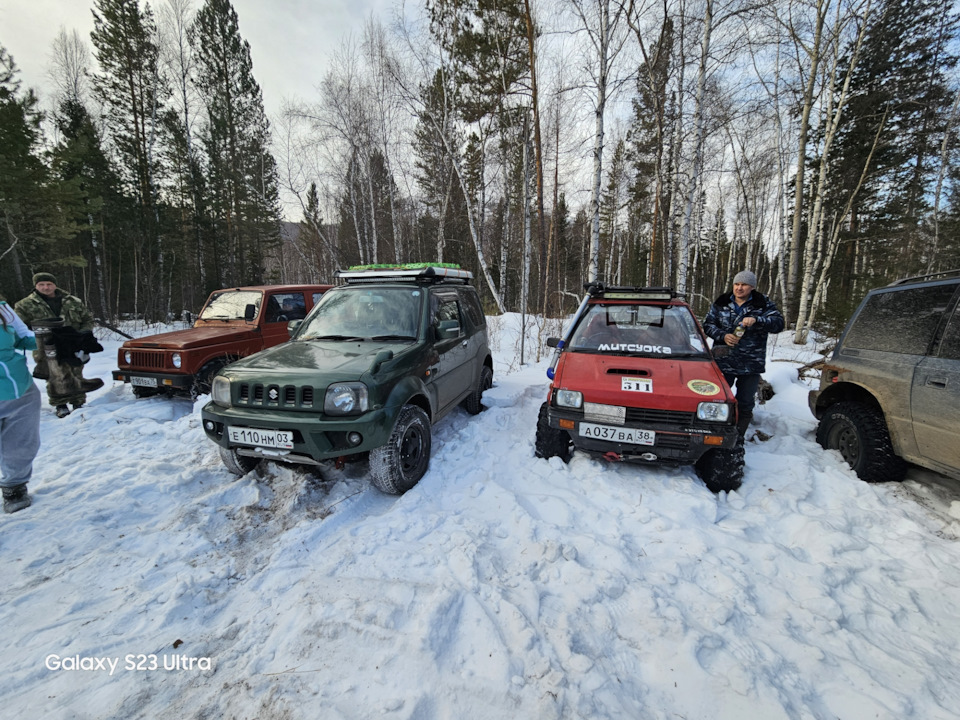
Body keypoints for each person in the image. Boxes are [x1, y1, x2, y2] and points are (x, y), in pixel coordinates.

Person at [703, 270, 784, 438]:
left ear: (752, 287)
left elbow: (778, 324)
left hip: (750, 362)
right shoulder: (721, 302)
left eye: (744, 285)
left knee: (745, 402)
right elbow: (708, 325)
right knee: (716, 399)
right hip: (723, 360)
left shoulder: (762, 304)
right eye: (737, 284)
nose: (739, 288)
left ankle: (738, 436)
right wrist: (722, 336)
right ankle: (713, 434)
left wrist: (758, 320)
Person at [14, 272, 101, 418]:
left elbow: (87, 319)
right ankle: (60, 404)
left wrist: (84, 334)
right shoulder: (24, 305)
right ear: (35, 286)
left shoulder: (72, 301)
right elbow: (19, 327)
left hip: (72, 343)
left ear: (55, 285)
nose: (46, 287)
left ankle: (78, 402)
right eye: (41, 284)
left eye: (49, 284)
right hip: (46, 346)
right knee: (54, 374)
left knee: (76, 370)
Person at [0, 297, 40, 513]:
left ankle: (14, 486)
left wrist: (51, 336)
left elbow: (24, 338)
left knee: (22, 445)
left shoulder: (3, 309)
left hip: (20, 390)